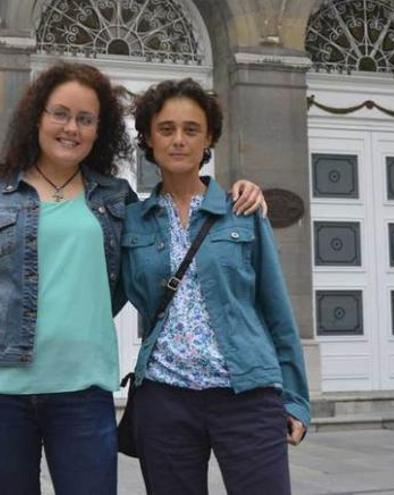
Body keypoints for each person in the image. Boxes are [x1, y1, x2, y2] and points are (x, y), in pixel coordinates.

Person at [0, 62, 266, 495]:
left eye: (86, 119)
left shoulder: (117, 199)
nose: (72, 128)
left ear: (99, 130)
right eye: (60, 114)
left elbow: (157, 258)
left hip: (82, 392)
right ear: (37, 118)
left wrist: (241, 190)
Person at [121, 78, 310, 495]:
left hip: (246, 393)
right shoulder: (131, 221)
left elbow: (275, 308)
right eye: (166, 129)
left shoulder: (242, 210)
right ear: (149, 138)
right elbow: (98, 294)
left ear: (208, 138)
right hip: (165, 397)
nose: (178, 140)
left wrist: (295, 397)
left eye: (191, 129)